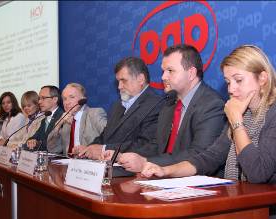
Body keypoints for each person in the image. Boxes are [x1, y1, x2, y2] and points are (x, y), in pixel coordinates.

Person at [142, 45, 276, 184]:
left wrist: (236, 122)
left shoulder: (268, 114)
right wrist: (166, 171)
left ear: (262, 78)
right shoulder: (242, 114)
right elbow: (210, 158)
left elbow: (258, 173)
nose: (231, 89)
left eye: (239, 80)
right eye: (228, 82)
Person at [114, 44, 226, 173]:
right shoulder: (169, 103)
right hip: (164, 178)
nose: (163, 77)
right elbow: (157, 145)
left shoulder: (212, 104)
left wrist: (146, 162)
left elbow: (198, 153)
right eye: (163, 71)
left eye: (170, 71)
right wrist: (124, 156)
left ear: (191, 73)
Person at [75, 57, 162, 161]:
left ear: (141, 79)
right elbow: (105, 136)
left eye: (123, 81)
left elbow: (145, 144)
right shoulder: (117, 105)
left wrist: (104, 149)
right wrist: (88, 148)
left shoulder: (156, 104)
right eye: (118, 81)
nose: (119, 86)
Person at [47, 83, 107, 154]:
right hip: (69, 163)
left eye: (72, 97)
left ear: (83, 99)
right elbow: (53, 149)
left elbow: (111, 138)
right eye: (64, 99)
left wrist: (88, 149)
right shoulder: (66, 121)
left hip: (90, 162)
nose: (67, 102)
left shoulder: (94, 114)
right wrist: (58, 125)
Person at [25, 85, 64, 151]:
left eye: (43, 98)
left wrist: (37, 143)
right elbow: (35, 137)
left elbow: (51, 143)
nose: (39, 102)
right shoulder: (44, 120)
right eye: (39, 98)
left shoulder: (63, 117)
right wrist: (31, 141)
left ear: (55, 99)